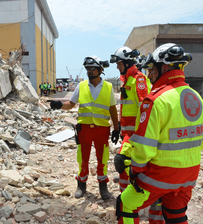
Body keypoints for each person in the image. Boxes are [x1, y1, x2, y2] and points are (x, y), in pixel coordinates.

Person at [115, 43, 202, 224]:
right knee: (176, 215)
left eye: (153, 69)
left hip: (161, 174)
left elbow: (145, 148)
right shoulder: (196, 97)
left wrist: (135, 172)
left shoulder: (155, 100)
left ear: (164, 67)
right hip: (190, 174)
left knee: (125, 204)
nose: (150, 75)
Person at [48, 55, 119, 200]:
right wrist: (60, 105)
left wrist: (117, 129)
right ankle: (81, 184)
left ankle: (103, 185)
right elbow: (71, 104)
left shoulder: (108, 87)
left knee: (103, 158)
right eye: (87, 69)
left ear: (100, 69)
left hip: (102, 129)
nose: (89, 71)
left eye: (92, 68)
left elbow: (112, 109)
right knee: (83, 158)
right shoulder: (81, 86)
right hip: (84, 129)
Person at [110, 46, 151, 192]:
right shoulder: (127, 80)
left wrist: (141, 134)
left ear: (127, 63)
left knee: (123, 162)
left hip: (135, 134)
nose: (117, 66)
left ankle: (125, 199)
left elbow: (144, 108)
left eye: (119, 63)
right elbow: (127, 109)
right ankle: (127, 194)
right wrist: (120, 128)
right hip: (127, 132)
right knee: (128, 164)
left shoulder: (138, 79)